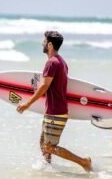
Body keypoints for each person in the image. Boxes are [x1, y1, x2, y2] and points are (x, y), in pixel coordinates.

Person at [17, 31, 93, 172]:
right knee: (43, 143)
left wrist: (27, 104)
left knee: (49, 147)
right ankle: (48, 168)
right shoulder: (61, 61)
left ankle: (83, 162)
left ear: (50, 44)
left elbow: (44, 86)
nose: (42, 43)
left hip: (55, 112)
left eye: (44, 41)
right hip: (54, 110)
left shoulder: (51, 63)